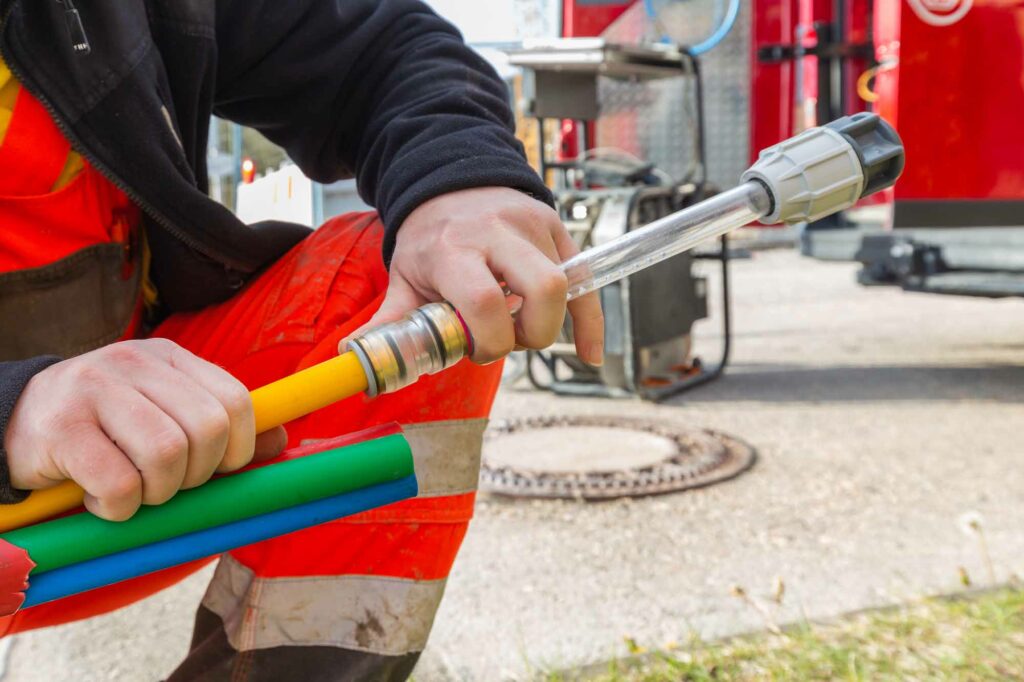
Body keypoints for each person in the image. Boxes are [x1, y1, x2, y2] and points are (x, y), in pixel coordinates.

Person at [0, 1, 603, 679]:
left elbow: (378, 44)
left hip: (154, 466)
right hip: (23, 506)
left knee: (426, 301)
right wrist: (15, 409)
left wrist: (457, 177)